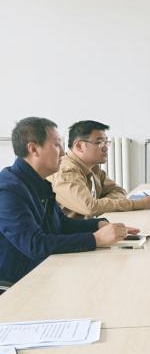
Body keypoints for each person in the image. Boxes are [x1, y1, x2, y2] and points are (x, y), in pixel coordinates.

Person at [0, 117, 137, 285]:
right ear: (33, 149)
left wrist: (99, 225)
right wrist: (96, 239)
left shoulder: (39, 182)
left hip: (46, 267)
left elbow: (61, 225)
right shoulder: (8, 190)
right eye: (56, 145)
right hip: (19, 281)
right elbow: (35, 245)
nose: (63, 153)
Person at [50, 120, 150, 218]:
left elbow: (118, 191)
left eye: (106, 142)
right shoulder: (66, 170)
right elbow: (90, 207)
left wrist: (101, 204)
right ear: (79, 146)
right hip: (69, 232)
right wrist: (140, 204)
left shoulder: (93, 167)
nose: (105, 148)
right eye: (99, 143)